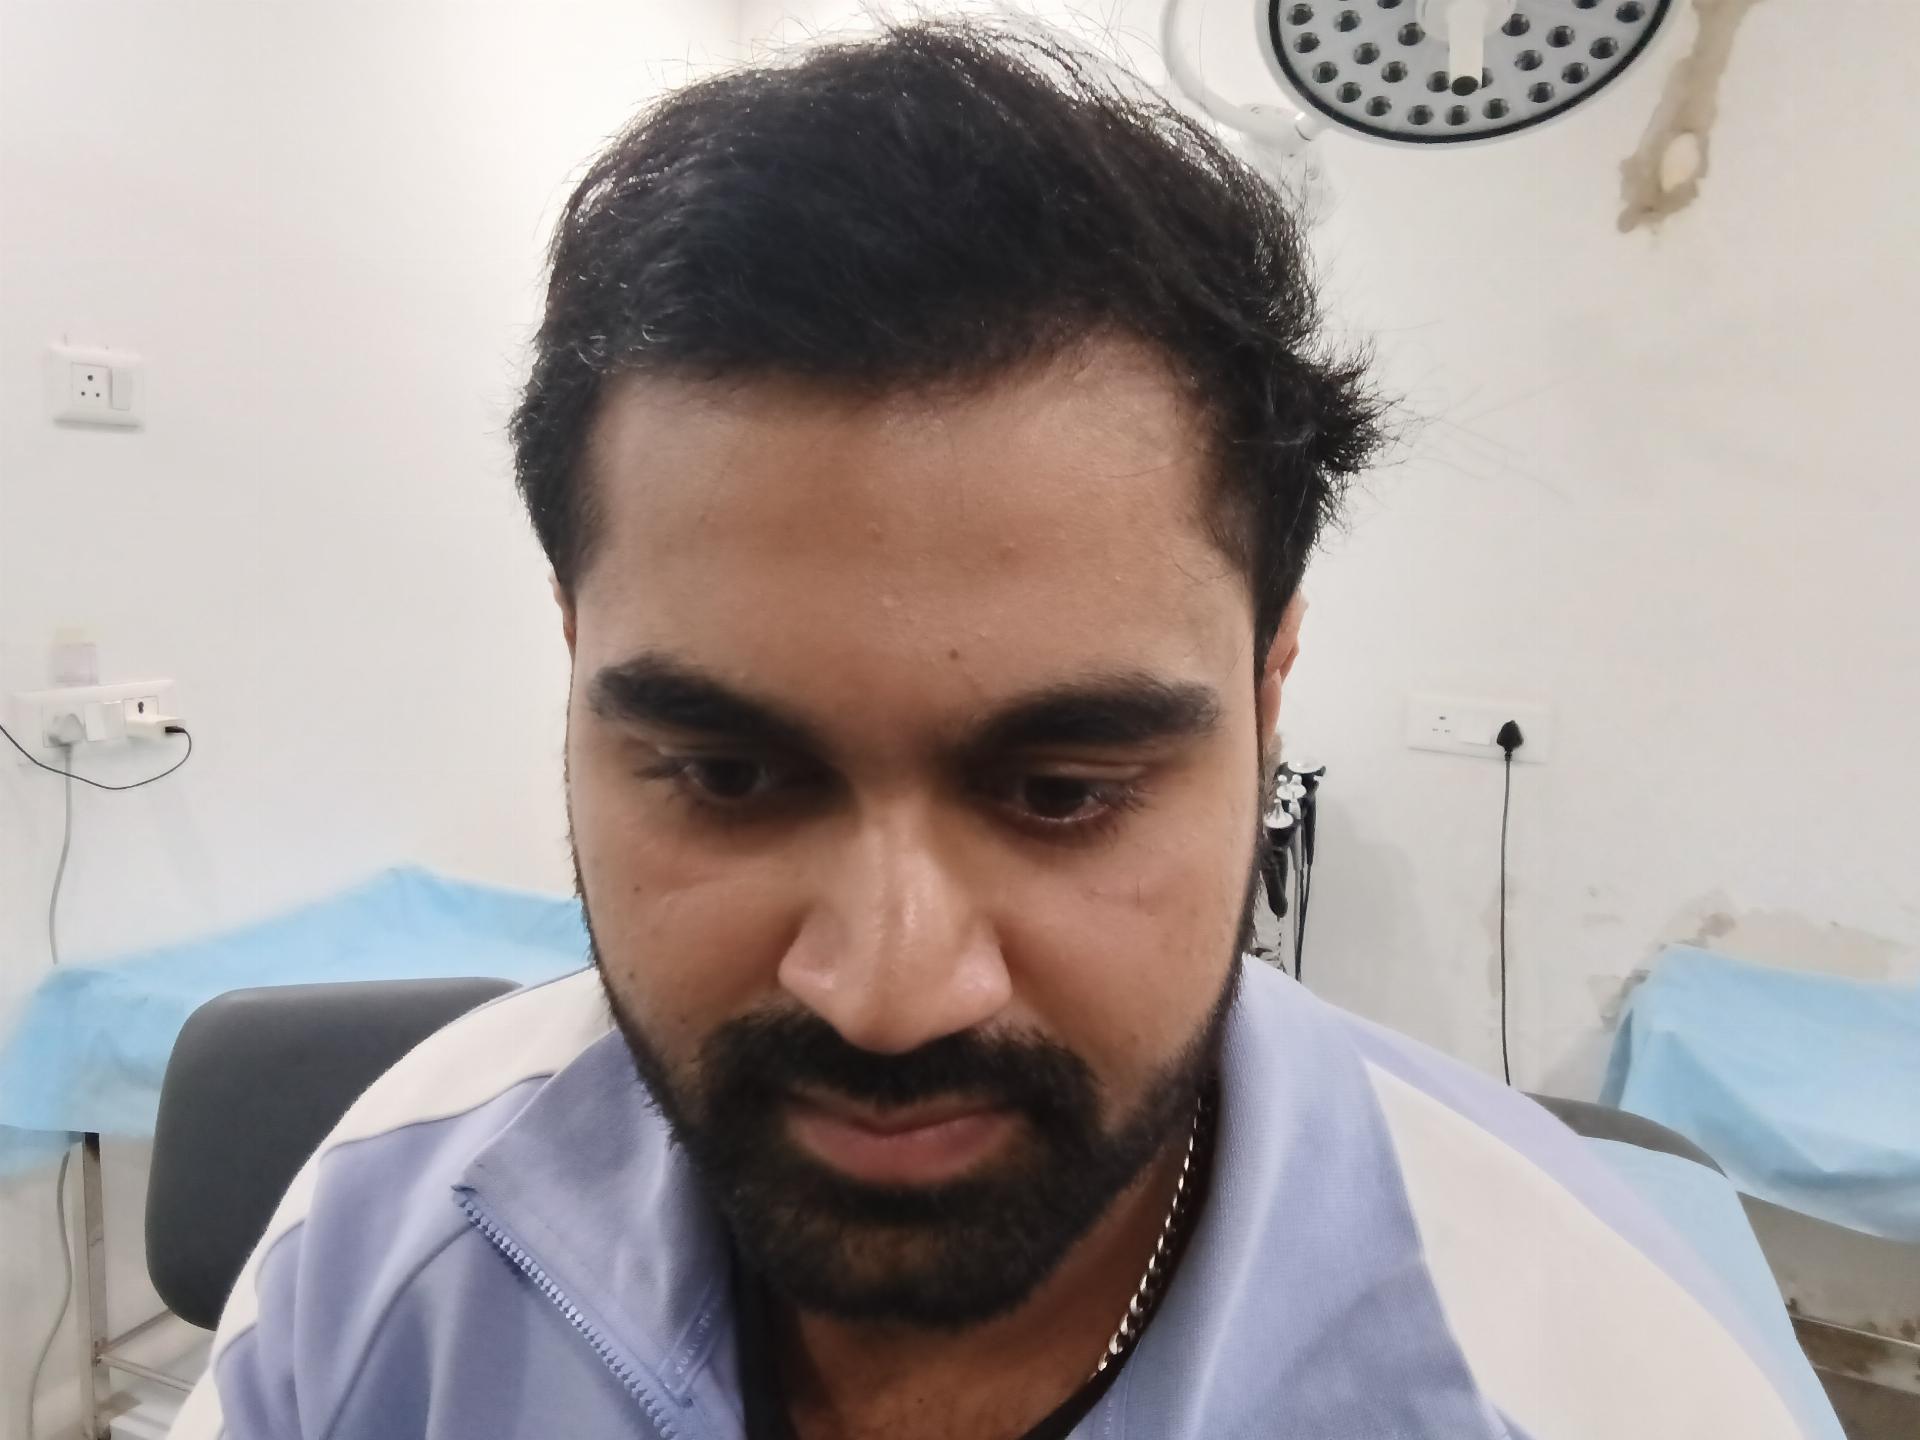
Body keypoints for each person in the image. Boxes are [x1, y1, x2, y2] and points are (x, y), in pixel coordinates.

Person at [171, 22, 1822, 1440]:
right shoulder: (390, 1243)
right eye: (727, 776)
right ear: (572, 658)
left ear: (1268, 699)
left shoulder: (1604, 1387)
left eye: (1064, 791)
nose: (889, 991)